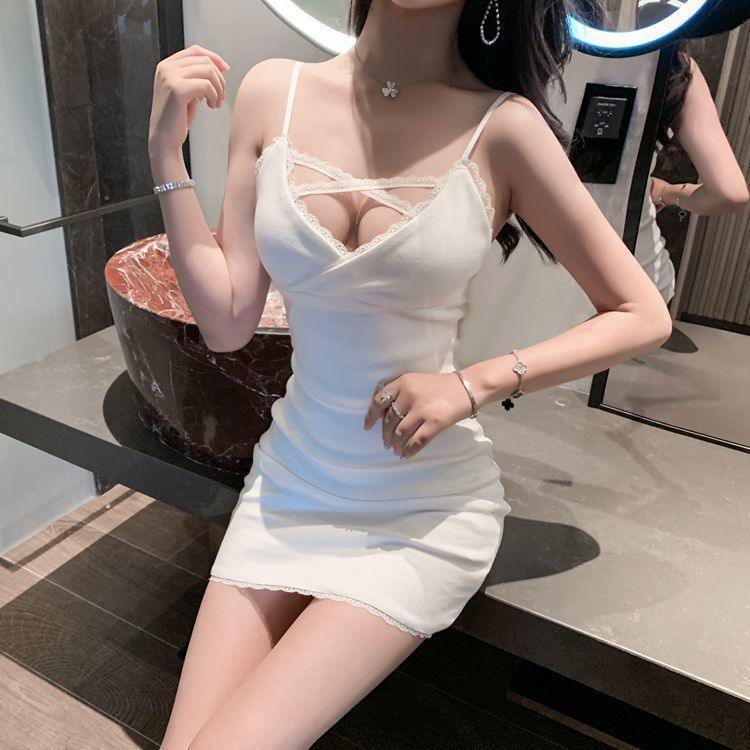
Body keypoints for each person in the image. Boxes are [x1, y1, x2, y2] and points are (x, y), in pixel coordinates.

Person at [148, 2, 675, 748]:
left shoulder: (504, 127)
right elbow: (228, 322)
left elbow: (641, 313)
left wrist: (476, 383)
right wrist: (166, 158)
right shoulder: (273, 92)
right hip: (290, 484)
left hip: (418, 511)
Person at [641, 36, 749, 308]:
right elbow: (729, 193)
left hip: (543, 268)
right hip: (638, 277)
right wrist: (667, 192)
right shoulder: (674, 65)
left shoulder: (542, 44)